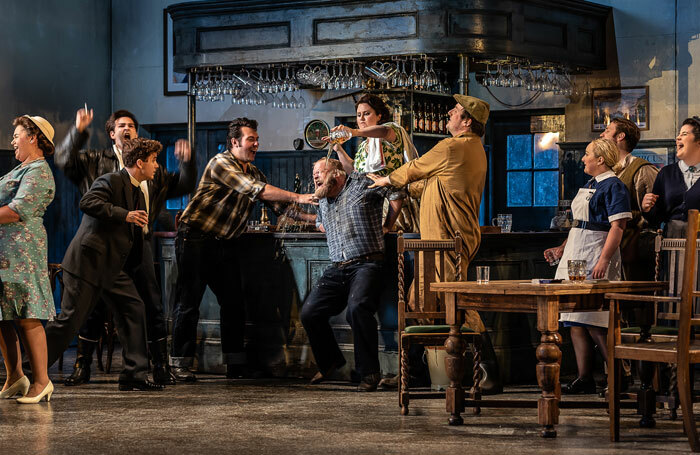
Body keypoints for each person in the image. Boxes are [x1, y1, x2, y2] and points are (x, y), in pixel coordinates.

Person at [367, 94, 502, 393]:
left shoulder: (454, 146)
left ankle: (487, 371)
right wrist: (398, 185)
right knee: (420, 302)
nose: (449, 114)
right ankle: (417, 373)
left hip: (446, 241)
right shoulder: (468, 150)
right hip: (441, 240)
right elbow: (427, 184)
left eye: (455, 111)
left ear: (467, 121)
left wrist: (385, 181)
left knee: (456, 303)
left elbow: (414, 168)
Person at [51, 107, 194, 386]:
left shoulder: (154, 170)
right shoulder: (97, 163)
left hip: (137, 244)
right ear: (112, 133)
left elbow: (183, 184)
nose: (127, 129)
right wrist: (78, 132)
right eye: (121, 125)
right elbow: (64, 160)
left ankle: (154, 367)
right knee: (90, 309)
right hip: (103, 246)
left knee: (145, 305)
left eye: (132, 125)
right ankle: (82, 364)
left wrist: (187, 162)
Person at [169, 117, 315, 381]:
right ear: (235, 142)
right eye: (251, 140)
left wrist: (315, 219)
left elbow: (280, 208)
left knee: (234, 303)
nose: (256, 144)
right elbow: (255, 191)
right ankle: (179, 363)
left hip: (224, 243)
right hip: (196, 238)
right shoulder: (221, 163)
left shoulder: (255, 171)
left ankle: (235, 364)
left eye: (257, 140)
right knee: (189, 302)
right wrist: (297, 195)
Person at [301, 158, 402, 392]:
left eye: (320, 171)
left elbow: (396, 194)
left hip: (368, 263)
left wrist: (387, 224)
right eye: (313, 172)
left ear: (336, 172)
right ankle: (330, 361)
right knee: (309, 312)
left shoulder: (360, 184)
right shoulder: (323, 196)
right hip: (338, 266)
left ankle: (369, 373)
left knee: (357, 309)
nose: (315, 176)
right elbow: (320, 222)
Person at [545, 138, 631, 394]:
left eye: (587, 154)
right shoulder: (590, 185)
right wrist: (562, 248)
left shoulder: (614, 186)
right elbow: (579, 224)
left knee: (595, 320)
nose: (583, 158)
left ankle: (619, 376)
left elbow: (618, 227)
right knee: (575, 319)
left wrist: (604, 260)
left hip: (596, 253)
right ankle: (585, 377)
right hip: (576, 253)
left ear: (601, 159)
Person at [0, 116, 56, 403]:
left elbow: (16, 211)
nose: (12, 140)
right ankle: (15, 377)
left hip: (23, 251)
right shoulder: (22, 168)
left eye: (16, 135)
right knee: (3, 315)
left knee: (27, 314)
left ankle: (42, 381)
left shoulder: (39, 172)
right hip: (5, 252)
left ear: (33, 138)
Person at [330, 93, 419, 232]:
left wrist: (354, 132)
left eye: (367, 113)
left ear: (379, 116)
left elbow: (383, 131)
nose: (362, 118)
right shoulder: (364, 145)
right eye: (359, 115)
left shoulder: (391, 130)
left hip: (392, 205)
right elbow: (354, 171)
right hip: (368, 206)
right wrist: (338, 148)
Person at [642, 117, 700, 237]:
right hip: (672, 243)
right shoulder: (666, 173)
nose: (678, 138)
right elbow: (656, 218)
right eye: (678, 134)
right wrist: (647, 209)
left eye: (684, 134)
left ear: (698, 142)